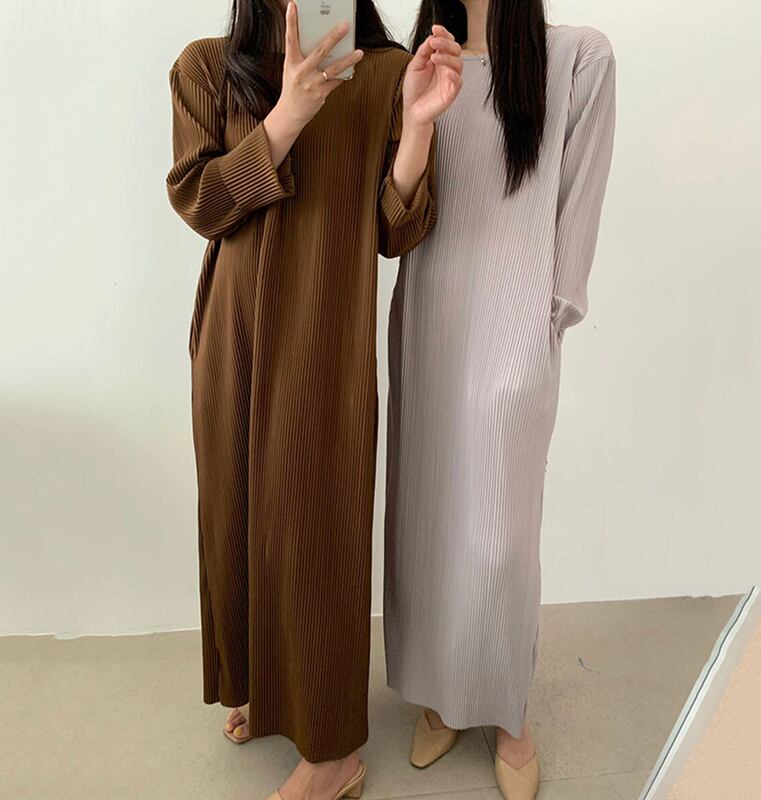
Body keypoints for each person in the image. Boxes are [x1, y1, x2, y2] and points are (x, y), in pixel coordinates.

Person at [166, 1, 463, 797]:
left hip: (325, 336)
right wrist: (288, 115)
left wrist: (419, 126)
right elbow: (201, 202)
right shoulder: (205, 67)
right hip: (231, 336)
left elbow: (397, 230)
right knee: (234, 517)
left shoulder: (387, 76)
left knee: (317, 531)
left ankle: (333, 752)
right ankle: (265, 690)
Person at [384, 1, 615, 798]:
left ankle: (507, 709)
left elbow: (579, 205)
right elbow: (395, 206)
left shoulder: (579, 58)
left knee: (501, 536)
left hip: (517, 326)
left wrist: (549, 322)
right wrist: (416, 115)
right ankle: (441, 691)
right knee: (428, 516)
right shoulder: (418, 59)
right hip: (430, 314)